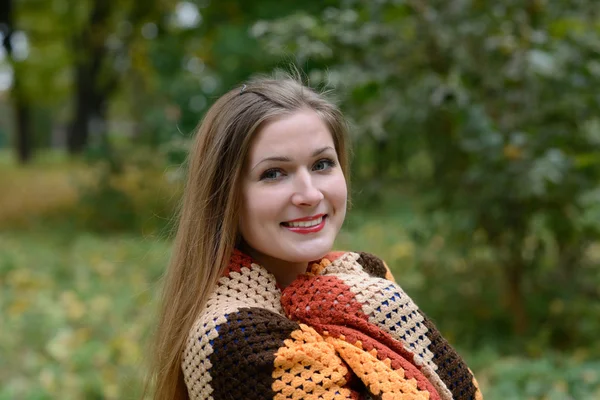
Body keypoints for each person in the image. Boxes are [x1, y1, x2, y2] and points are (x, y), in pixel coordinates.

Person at [149, 74, 483, 400]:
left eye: (322, 164)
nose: (308, 194)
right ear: (225, 197)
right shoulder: (234, 338)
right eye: (274, 173)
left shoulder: (361, 275)